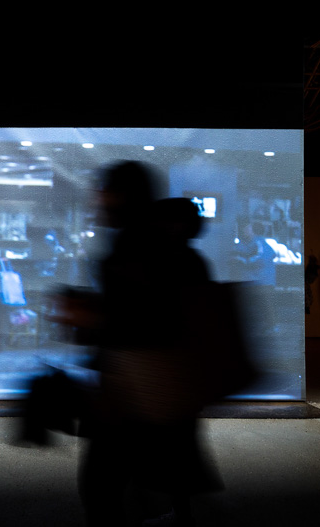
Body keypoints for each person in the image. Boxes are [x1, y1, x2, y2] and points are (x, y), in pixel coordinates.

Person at [54, 162, 222, 526]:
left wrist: (88, 317)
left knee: (102, 490)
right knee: (151, 485)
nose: (97, 198)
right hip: (164, 395)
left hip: (135, 396)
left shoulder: (135, 245)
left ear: (123, 196)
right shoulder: (171, 250)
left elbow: (142, 321)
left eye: (104, 189)